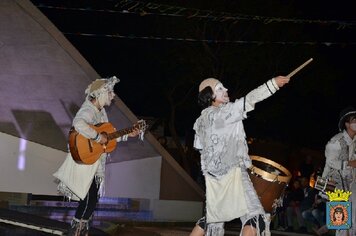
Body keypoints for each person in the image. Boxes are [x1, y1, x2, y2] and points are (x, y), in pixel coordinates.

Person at [190, 75, 290, 236]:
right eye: (220, 88)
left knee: (212, 219)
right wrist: (273, 84)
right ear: (210, 96)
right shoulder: (225, 113)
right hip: (233, 175)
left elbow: (199, 147)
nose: (226, 90)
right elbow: (250, 99)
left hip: (213, 179)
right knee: (255, 218)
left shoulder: (200, 121)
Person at [53, 76, 141, 236]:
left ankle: (79, 230)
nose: (113, 96)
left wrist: (129, 134)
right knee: (89, 200)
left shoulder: (100, 112)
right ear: (100, 93)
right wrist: (96, 137)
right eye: (110, 92)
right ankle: (76, 231)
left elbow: (108, 136)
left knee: (90, 200)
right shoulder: (88, 109)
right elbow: (79, 124)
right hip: (85, 164)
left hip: (91, 163)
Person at [321, 106, 356, 236]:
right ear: (347, 124)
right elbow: (330, 162)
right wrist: (349, 164)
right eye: (354, 120)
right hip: (336, 185)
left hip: (352, 185)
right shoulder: (336, 141)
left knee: (353, 221)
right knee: (341, 222)